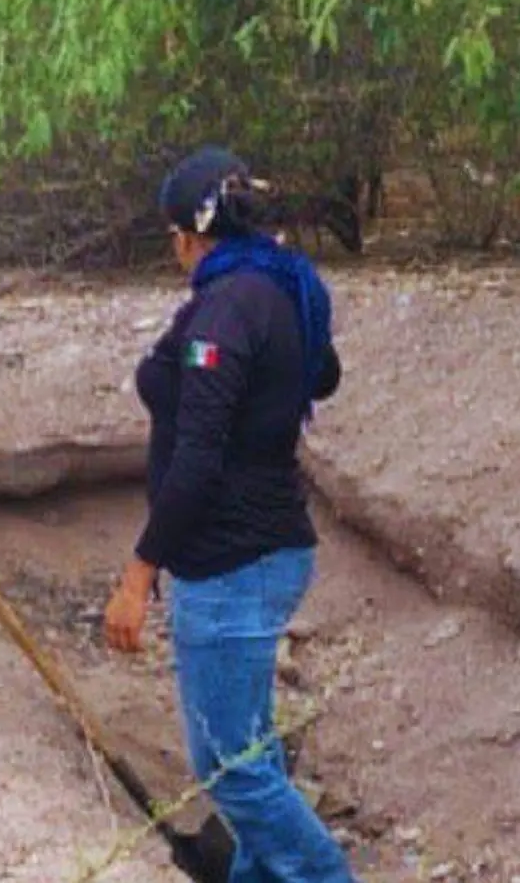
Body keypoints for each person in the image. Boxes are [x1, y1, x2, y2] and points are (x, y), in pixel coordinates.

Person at [102, 146, 357, 883]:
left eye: (172, 236)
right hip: (270, 546)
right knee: (250, 748)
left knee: (230, 767)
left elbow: (198, 458)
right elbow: (325, 373)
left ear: (190, 235)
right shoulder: (283, 284)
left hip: (232, 561)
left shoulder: (227, 306)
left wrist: (139, 572)